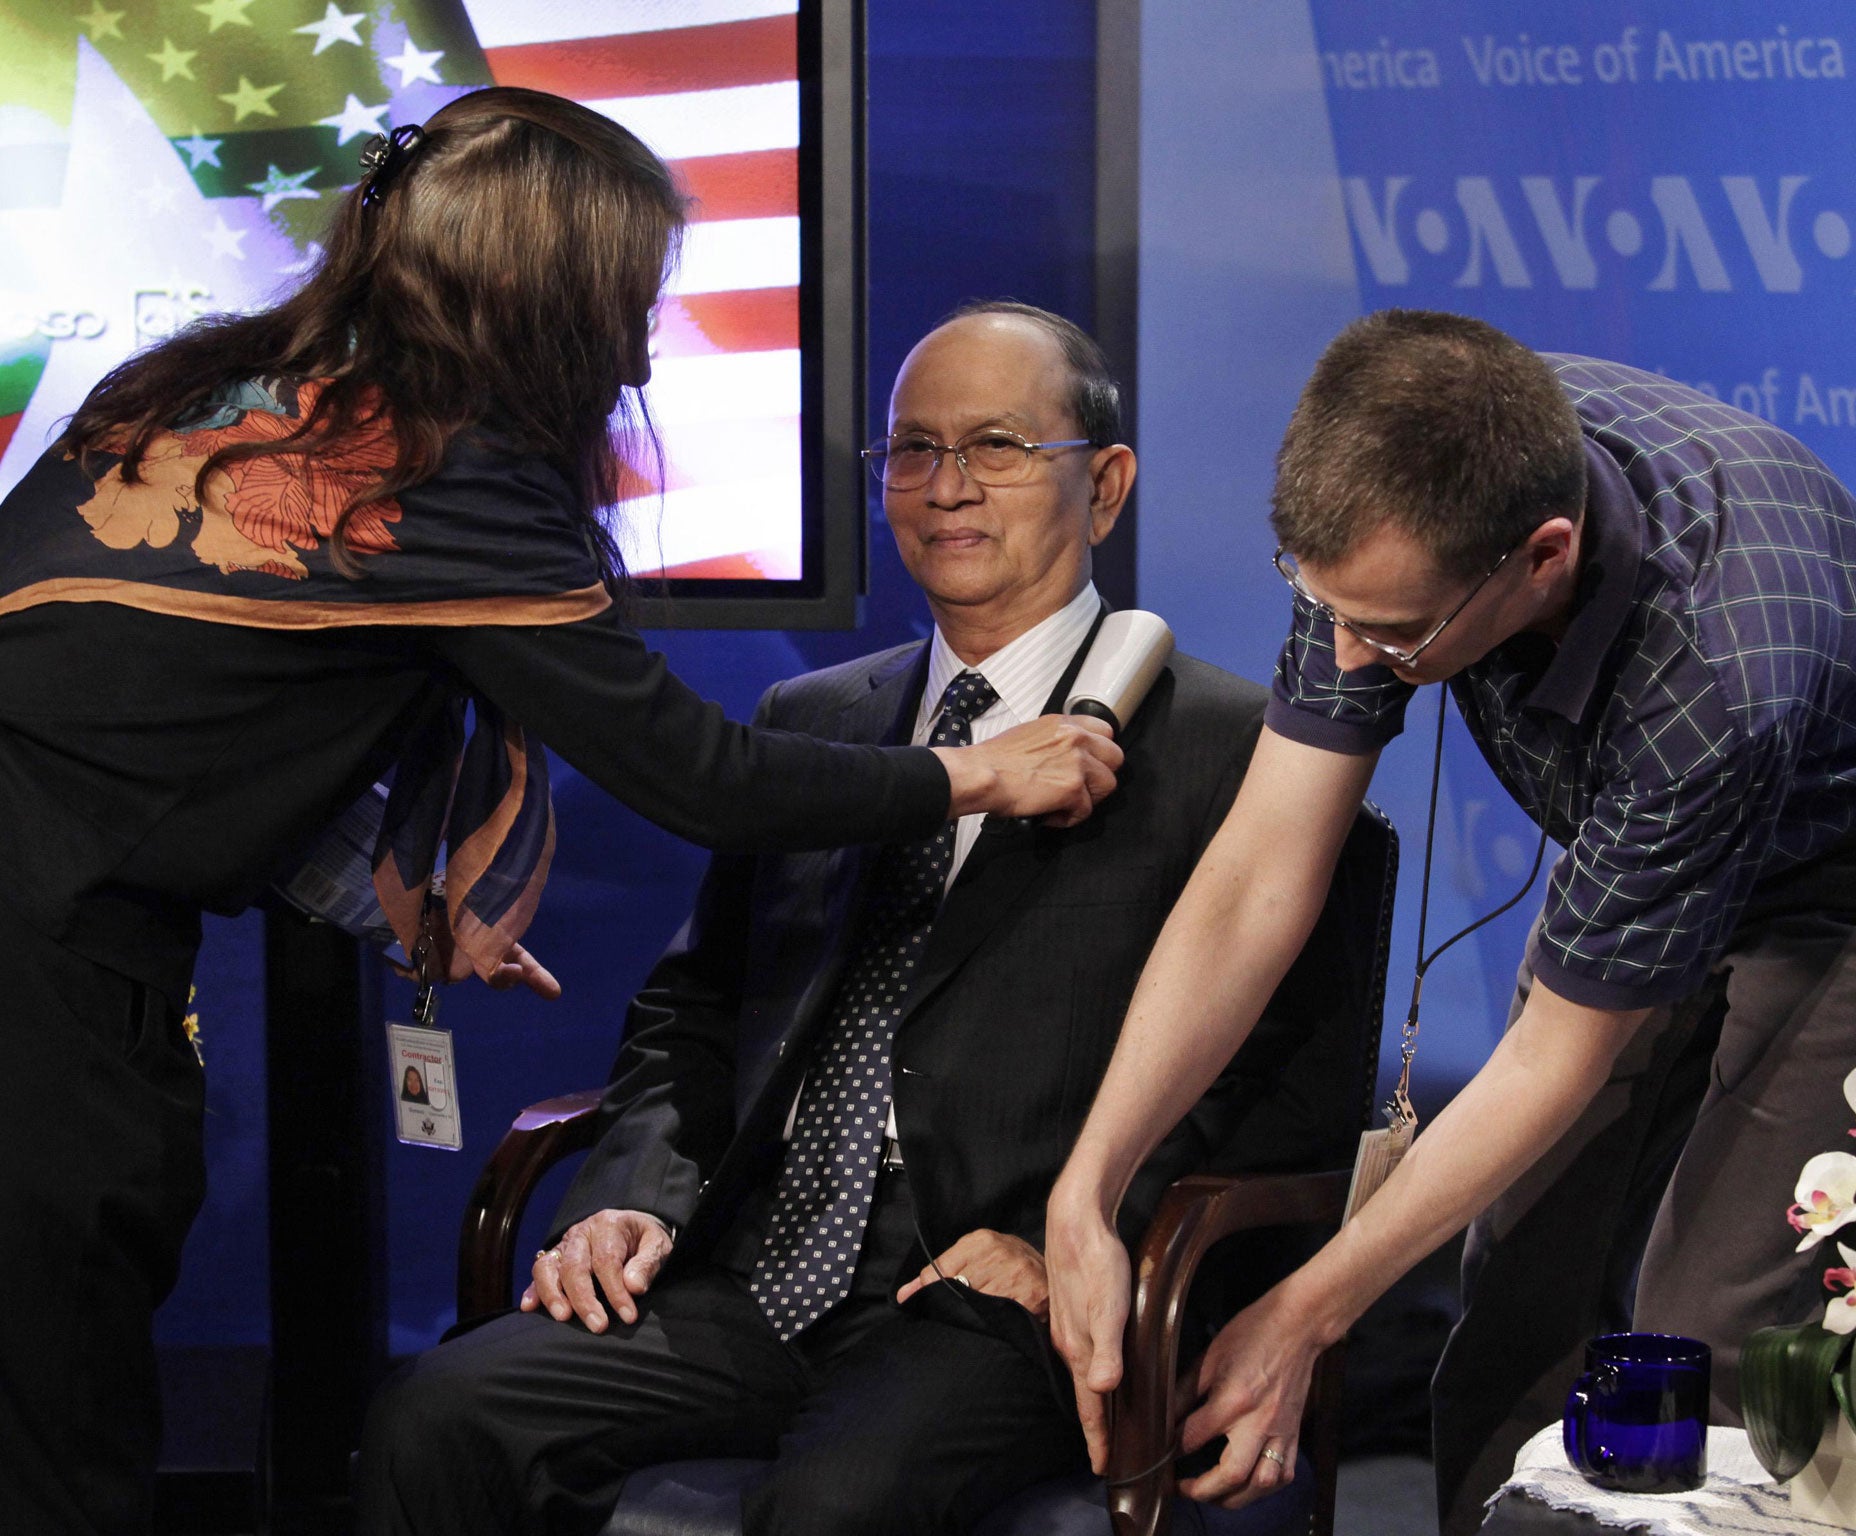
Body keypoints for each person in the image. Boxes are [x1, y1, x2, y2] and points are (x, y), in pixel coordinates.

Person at [0, 91, 1120, 1536]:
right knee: (52, 1453)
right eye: (627, 302)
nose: (641, 350)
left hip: (53, 929)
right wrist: (979, 770)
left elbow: (143, 718)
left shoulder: (205, 391)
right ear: (543, 295)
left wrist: (383, 894)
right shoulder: (446, 467)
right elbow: (703, 780)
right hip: (41, 996)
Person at [355, 302, 1378, 1536]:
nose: (946, 487)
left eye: (997, 446)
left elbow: (1284, 1085)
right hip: (754, 1264)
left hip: (1002, 1287)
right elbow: (695, 1005)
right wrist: (626, 1194)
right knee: (440, 1416)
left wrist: (1074, 1229)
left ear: (1102, 488)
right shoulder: (809, 720)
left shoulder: (1235, 757)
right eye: (912, 450)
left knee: (837, 1507)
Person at [1043, 309, 1856, 1531]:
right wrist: (1088, 1185)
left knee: (1699, 1336)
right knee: (1516, 1304)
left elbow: (1559, 1052)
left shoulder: (1708, 670)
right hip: (1650, 817)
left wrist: (1303, 1312)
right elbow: (1257, 877)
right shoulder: (1392, 508)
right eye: (1324, 605)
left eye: (1392, 636)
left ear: (1541, 557)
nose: (1347, 652)